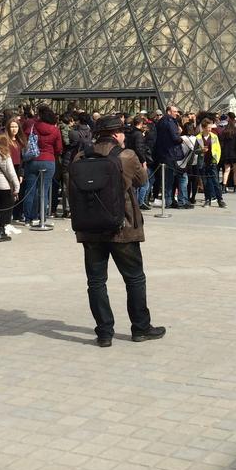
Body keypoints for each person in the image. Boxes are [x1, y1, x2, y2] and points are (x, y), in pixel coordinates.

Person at [72, 114, 165, 348]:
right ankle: (140, 328)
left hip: (90, 228)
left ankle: (104, 333)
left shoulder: (81, 157)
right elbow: (142, 181)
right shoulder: (127, 156)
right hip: (122, 227)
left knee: (96, 281)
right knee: (134, 278)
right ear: (116, 134)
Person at [0, 131, 20, 242]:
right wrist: (17, 186)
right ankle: (1, 232)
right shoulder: (5, 155)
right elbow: (11, 173)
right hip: (5, 185)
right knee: (5, 209)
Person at [194, 117, 225, 207]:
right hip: (202, 162)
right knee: (205, 182)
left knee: (215, 181)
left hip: (212, 161)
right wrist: (201, 150)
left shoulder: (214, 136)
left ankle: (220, 199)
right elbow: (195, 150)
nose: (210, 129)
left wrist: (216, 159)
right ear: (203, 128)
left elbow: (218, 148)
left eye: (210, 127)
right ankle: (208, 199)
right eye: (208, 127)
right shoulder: (198, 137)